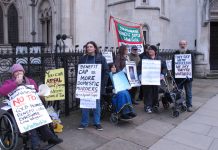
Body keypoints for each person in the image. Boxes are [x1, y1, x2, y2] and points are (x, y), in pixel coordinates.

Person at [0, 64, 63, 150]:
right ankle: (35, 143)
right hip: (19, 109)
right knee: (30, 120)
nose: (18, 73)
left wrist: (41, 96)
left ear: (23, 72)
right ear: (13, 74)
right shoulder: (9, 82)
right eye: (16, 71)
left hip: (32, 106)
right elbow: (2, 91)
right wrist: (15, 83)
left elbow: (36, 93)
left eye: (20, 71)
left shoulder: (30, 81)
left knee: (41, 118)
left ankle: (50, 137)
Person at [77, 41, 109, 131]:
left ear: (95, 48)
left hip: (96, 86)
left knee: (96, 105)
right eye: (87, 47)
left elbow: (106, 72)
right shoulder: (83, 59)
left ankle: (97, 123)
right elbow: (79, 71)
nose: (89, 48)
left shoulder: (101, 58)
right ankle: (84, 123)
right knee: (84, 104)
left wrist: (102, 84)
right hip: (85, 86)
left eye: (91, 46)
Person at [138, 45, 167, 113]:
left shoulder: (160, 58)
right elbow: (139, 68)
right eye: (149, 50)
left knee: (155, 92)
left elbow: (164, 67)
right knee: (148, 92)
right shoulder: (144, 58)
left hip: (156, 79)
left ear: (155, 51)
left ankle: (155, 105)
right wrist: (140, 75)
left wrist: (162, 74)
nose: (150, 51)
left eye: (152, 50)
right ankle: (148, 106)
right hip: (147, 79)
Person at [172, 40, 194, 112]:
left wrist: (191, 77)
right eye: (181, 44)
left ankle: (189, 105)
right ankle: (178, 104)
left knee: (188, 92)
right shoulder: (175, 53)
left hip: (188, 78)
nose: (182, 45)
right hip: (178, 78)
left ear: (186, 44)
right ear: (179, 45)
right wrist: (174, 77)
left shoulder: (190, 53)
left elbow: (193, 66)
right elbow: (173, 66)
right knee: (178, 92)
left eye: (184, 44)